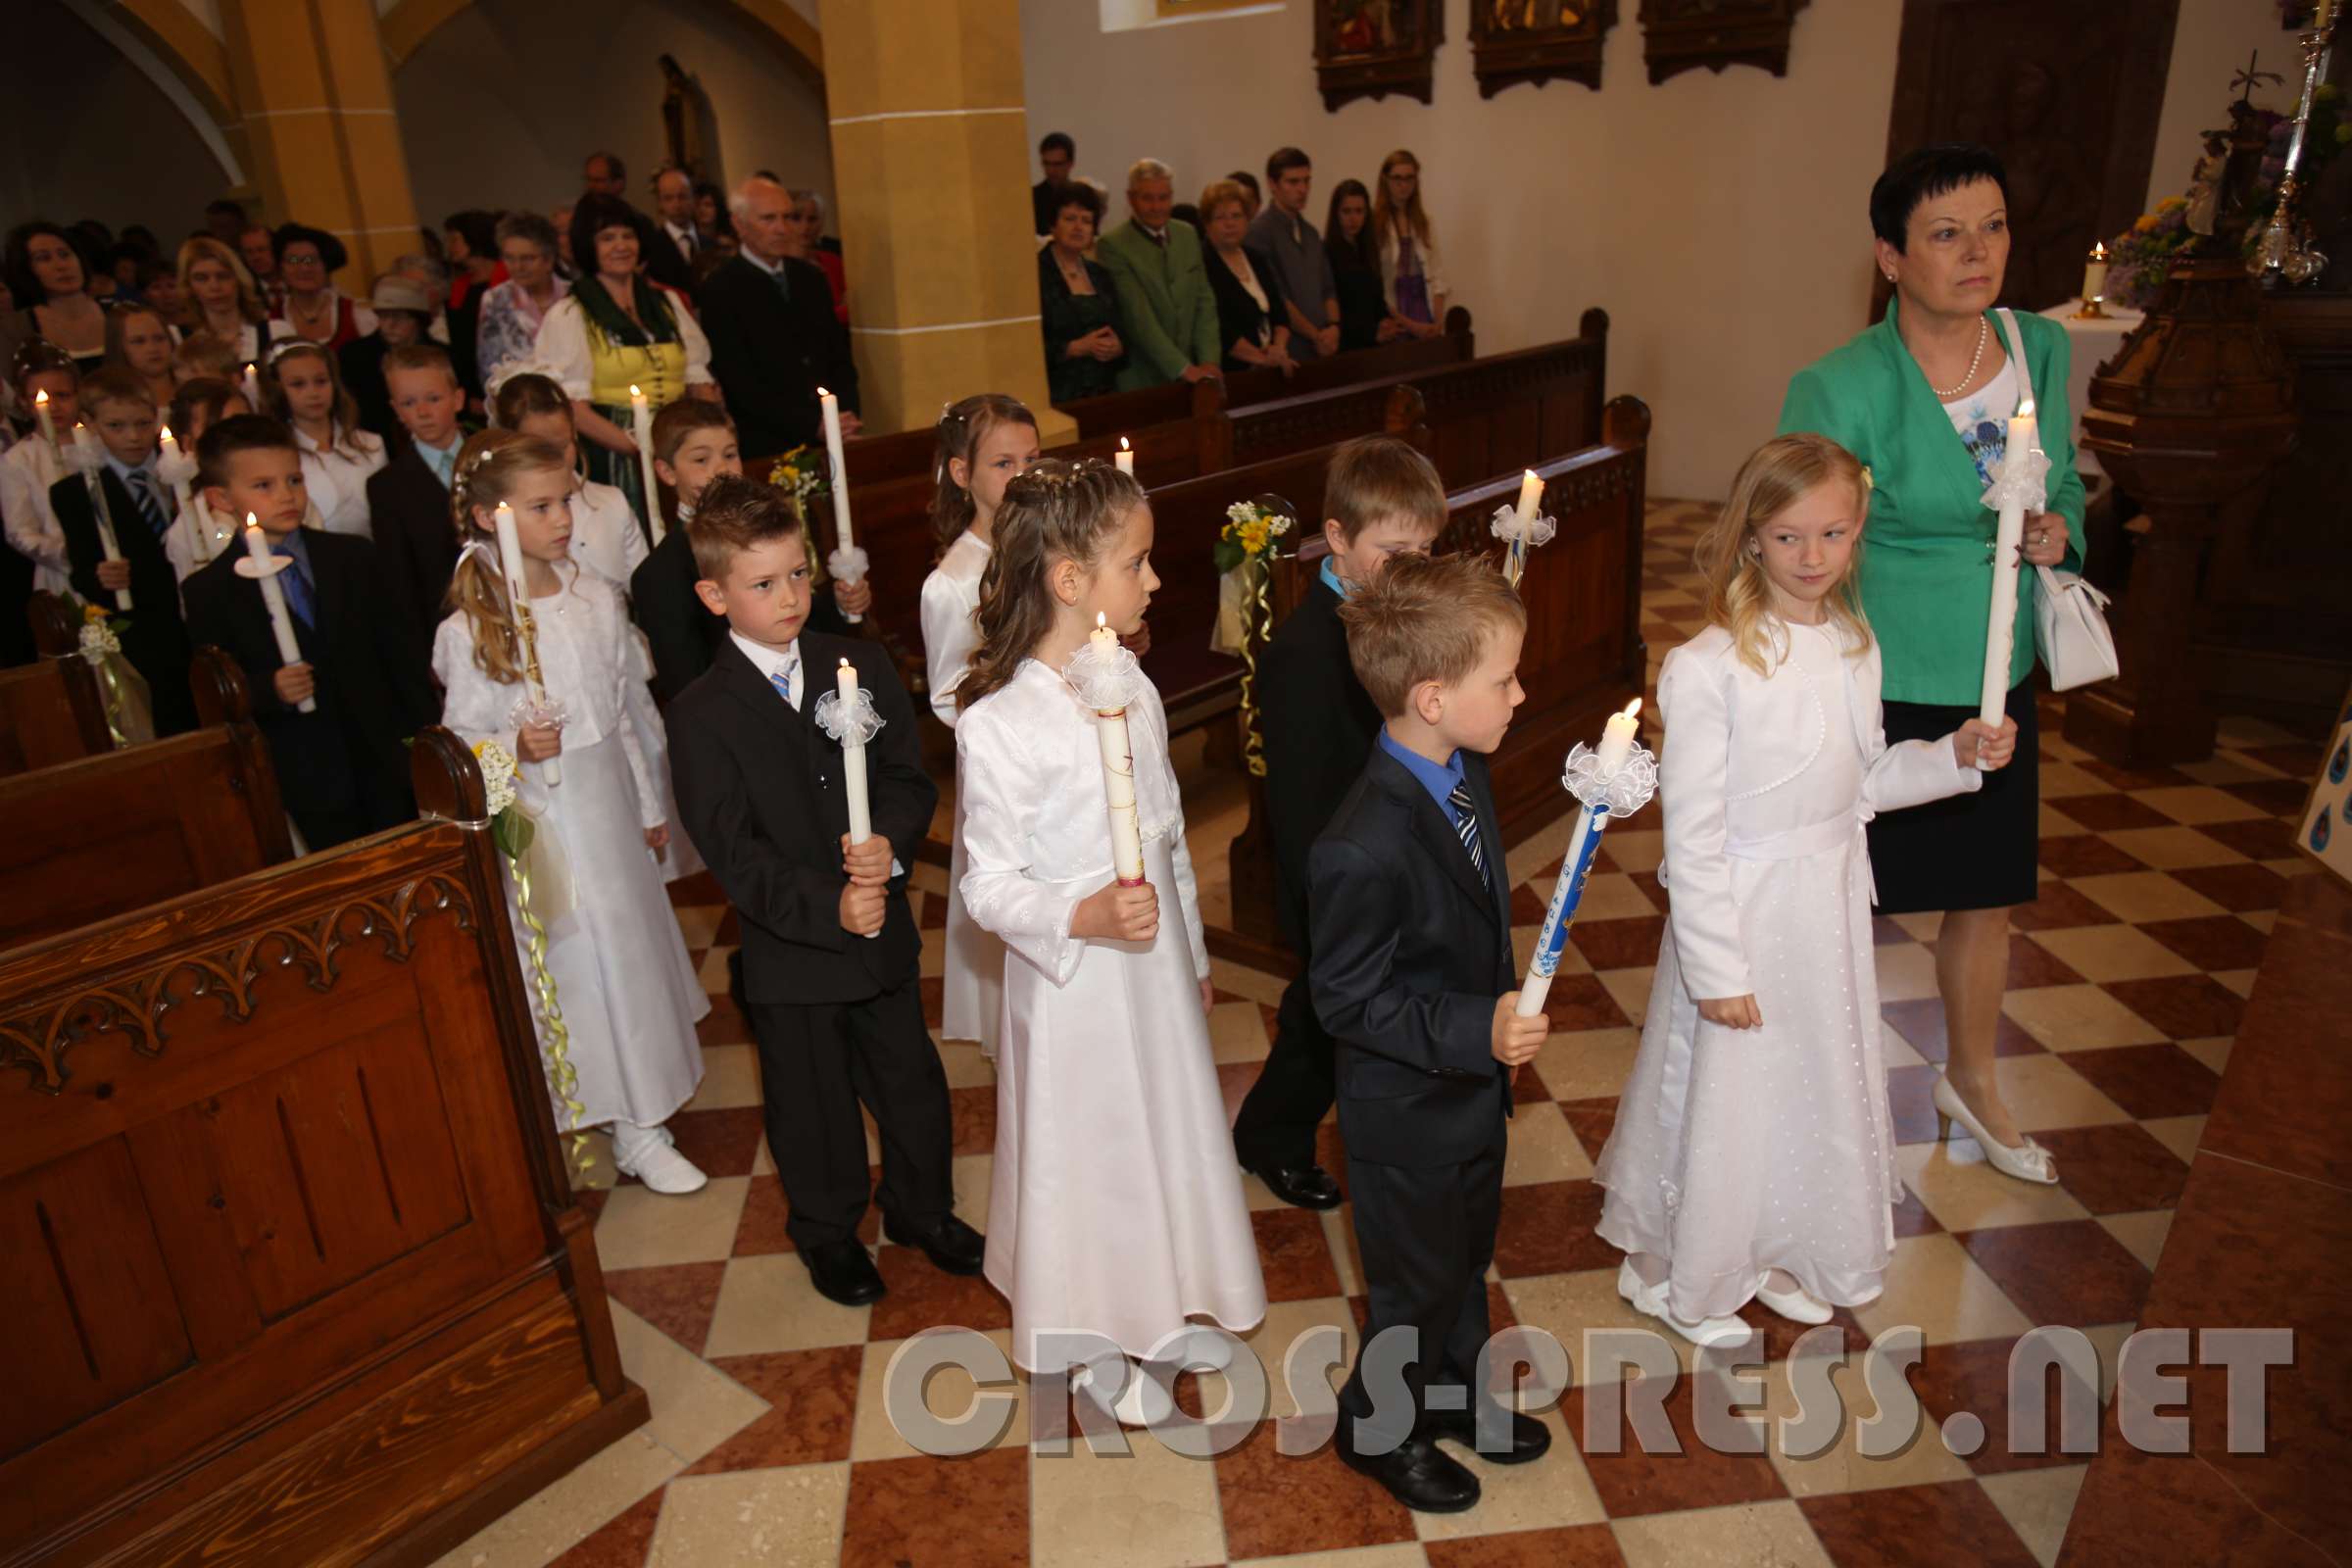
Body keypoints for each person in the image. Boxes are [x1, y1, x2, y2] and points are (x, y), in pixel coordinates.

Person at [1595, 434, 2016, 1343]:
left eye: (1833, 534)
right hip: (1744, 910)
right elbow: (1694, 836)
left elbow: (1863, 782)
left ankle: (1770, 1244)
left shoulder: (1856, 646)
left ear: (1859, 533)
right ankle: (1675, 1270)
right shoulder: (1709, 666)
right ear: (1751, 538)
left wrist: (1950, 758)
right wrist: (1717, 969)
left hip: (1824, 903)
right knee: (1720, 1089)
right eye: (1789, 537)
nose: (1814, 557)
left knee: (1800, 1083)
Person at [1777, 142, 2083, 1186]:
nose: (1976, 251)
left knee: (1984, 894)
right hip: (1881, 663)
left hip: (1996, 664)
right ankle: (1809, 1098)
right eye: (1946, 233)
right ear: (1891, 257)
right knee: (1842, 891)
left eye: (1992, 226)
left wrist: (2056, 530)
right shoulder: (1840, 383)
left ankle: (1972, 1079)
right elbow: (1795, 535)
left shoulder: (2039, 346)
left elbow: (2070, 483)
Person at [955, 459, 1265, 1421]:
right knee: (1092, 1151)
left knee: (1162, 1130)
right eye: (1138, 562)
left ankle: (1162, 1299)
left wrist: (1196, 959)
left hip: (1153, 972)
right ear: (1068, 580)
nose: (1157, 580)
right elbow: (985, 886)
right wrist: (1081, 914)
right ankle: (1093, 1334)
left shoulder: (1130, 680)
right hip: (1075, 981)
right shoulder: (998, 726)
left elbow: (1164, 830)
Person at [667, 476, 981, 1301]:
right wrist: (823, 901)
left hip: (879, 933)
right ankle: (828, 1231)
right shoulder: (702, 714)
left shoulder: (860, 661)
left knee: (911, 1085)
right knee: (813, 1111)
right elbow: (732, 852)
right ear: (713, 594)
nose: (791, 596)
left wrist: (891, 845)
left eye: (798, 574)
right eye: (763, 583)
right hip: (791, 952)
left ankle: (921, 1207)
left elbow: (910, 782)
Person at [1308, 550, 1552, 1512]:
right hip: (1404, 1111)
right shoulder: (1359, 843)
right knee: (1411, 1284)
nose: (1522, 693)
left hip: (1466, 1095)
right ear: (1434, 695)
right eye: (1504, 679)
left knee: (1462, 1258)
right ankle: (1379, 1425)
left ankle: (1452, 1395)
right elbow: (1347, 999)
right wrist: (1473, 1028)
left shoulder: (1457, 771)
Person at [437, 428, 711, 1194]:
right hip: (540, 819)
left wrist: (650, 796)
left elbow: (624, 710)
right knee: (575, 957)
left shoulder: (595, 598)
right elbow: (460, 748)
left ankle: (644, 1104)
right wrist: (512, 745)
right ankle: (612, 1114)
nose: (564, 517)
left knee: (628, 949)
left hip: (608, 806)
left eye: (566, 500)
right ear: (494, 517)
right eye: (542, 506)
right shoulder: (470, 630)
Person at [1233, 436, 1444, 1210]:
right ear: (1338, 538)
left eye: (1426, 548)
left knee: (1337, 1012)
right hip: (1334, 873)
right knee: (1327, 1020)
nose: (1413, 566)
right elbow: (1298, 799)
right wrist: (1327, 902)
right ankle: (1271, 1137)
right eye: (1394, 550)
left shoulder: (1401, 614)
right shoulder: (1305, 650)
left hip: (1392, 859)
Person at [183, 414, 436, 850]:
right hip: (303, 771)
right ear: (219, 497)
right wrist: (266, 689)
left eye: (294, 480)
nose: (287, 496)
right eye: (263, 486)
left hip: (383, 756)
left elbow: (402, 653)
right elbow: (213, 697)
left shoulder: (353, 557)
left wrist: (422, 740)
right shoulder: (209, 591)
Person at [921, 394, 1040, 1058]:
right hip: (1005, 766)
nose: (1021, 476)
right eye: (1003, 463)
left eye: (1031, 459)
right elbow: (948, 696)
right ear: (962, 474)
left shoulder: (1050, 548)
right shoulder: (954, 583)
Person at [630, 399, 868, 705]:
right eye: (701, 460)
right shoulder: (659, 573)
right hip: (733, 720)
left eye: (730, 455)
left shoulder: (770, 533)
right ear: (667, 471)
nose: (721, 469)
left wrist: (838, 604)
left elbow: (802, 621)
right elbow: (686, 686)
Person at [534, 194, 715, 529]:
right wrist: (639, 448)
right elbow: (571, 406)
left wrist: (707, 433)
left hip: (678, 444)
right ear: (589, 247)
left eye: (627, 236)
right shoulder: (572, 313)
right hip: (615, 451)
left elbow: (697, 377)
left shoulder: (666, 304)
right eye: (607, 238)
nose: (621, 246)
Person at [50, 367, 197, 733]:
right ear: (91, 425)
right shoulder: (74, 493)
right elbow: (83, 568)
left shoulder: (182, 473)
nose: (133, 437)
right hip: (146, 627)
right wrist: (100, 576)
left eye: (143, 423)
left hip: (197, 614)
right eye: (116, 426)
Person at [696, 175, 859, 459]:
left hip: (833, 431)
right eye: (769, 219)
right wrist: (812, 425)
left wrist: (844, 415)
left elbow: (838, 356)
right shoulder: (721, 288)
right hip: (768, 441)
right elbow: (739, 381)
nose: (782, 229)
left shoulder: (810, 278)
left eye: (788, 217)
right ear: (739, 224)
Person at [367, 342, 473, 666]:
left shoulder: (492, 457)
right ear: (396, 410)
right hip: (445, 626)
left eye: (433, 398)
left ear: (458, 399)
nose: (423, 412)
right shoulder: (387, 487)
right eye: (409, 403)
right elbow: (400, 583)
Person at [494, 370, 646, 587]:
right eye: (539, 451)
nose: (554, 461)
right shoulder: (508, 517)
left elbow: (644, 586)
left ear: (574, 434)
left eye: (561, 447)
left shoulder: (612, 502)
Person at [1097, 159, 1221, 392]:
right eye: (1147, 198)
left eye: (1163, 197)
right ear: (1131, 198)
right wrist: (1183, 368)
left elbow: (1204, 301)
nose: (1157, 206)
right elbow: (1138, 317)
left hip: (1197, 373)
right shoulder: (1112, 245)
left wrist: (1209, 361)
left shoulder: (1186, 233)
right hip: (1142, 377)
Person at [0, 343, 76, 660]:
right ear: (22, 402)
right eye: (42, 398)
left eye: (63, 395)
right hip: (60, 575)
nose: (54, 406)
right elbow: (20, 531)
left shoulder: (96, 444)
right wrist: (65, 553)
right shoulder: (19, 460)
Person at [265, 340, 387, 538]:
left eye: (321, 381)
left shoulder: (371, 445)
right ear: (279, 390)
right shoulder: (278, 457)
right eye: (298, 384)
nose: (313, 393)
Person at [1249, 148, 1341, 364]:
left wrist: (1333, 327)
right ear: (1272, 184)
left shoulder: (1310, 232)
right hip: (1288, 351)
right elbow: (1278, 298)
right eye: (1293, 182)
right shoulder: (1259, 232)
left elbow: (1328, 288)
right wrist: (1316, 336)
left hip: (1323, 345)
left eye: (1306, 181)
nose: (1303, 189)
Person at [1036, 182, 1124, 404]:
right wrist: (1073, 348)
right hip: (1057, 395)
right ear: (1053, 225)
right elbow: (1022, 344)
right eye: (1070, 219)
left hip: (1105, 392)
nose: (1079, 227)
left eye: (1086, 221)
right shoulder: (1035, 275)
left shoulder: (1100, 275)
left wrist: (1118, 346)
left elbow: (1122, 330)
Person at [159, 377, 250, 580]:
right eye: (218, 429)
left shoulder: (283, 490)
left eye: (244, 423)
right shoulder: (189, 527)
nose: (237, 437)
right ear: (190, 444)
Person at [1200, 179, 1295, 376]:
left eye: (1237, 216)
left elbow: (1280, 312)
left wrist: (1278, 349)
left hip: (1272, 365)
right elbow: (1220, 329)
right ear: (1207, 225)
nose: (1230, 224)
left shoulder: (1256, 258)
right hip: (1232, 373)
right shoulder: (1202, 264)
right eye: (1220, 217)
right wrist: (1261, 358)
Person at [473, 213, 571, 392]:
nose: (517, 267)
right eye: (510, 258)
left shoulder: (574, 296)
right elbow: (489, 368)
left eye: (527, 258)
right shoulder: (495, 300)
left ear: (549, 259)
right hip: (518, 401)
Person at [341, 274, 434, 442]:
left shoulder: (443, 355)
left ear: (418, 319)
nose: (389, 324)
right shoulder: (353, 357)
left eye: (398, 316)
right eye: (383, 316)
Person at [7, 221, 108, 371]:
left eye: (65, 254)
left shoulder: (116, 312)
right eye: (44, 258)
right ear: (26, 270)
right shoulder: (16, 328)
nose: (61, 265)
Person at [1372, 150, 1450, 339]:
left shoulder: (1424, 222)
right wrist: (1411, 326)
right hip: (1394, 312)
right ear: (1385, 180)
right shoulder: (1374, 224)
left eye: (1409, 179)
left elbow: (1438, 276)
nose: (1403, 185)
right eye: (1397, 178)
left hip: (1423, 306)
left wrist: (1438, 322)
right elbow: (1376, 287)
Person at [272, 224, 377, 352]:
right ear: (281, 268)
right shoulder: (270, 318)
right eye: (293, 260)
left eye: (312, 260)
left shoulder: (357, 316)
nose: (304, 268)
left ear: (326, 266)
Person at [177, 236, 277, 368]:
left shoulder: (274, 332)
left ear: (238, 280)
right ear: (189, 286)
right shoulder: (180, 341)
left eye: (222, 276)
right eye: (201, 279)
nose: (214, 286)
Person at [786, 191, 848, 325]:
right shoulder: (777, 265)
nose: (805, 227)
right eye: (796, 218)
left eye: (812, 219)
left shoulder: (833, 261)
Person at [104, 302, 178, 411]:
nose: (153, 348)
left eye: (160, 338)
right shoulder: (109, 404)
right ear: (118, 347)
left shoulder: (195, 391)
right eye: (138, 341)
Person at [648, 166, 709, 291]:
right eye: (668, 198)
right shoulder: (650, 247)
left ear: (693, 199)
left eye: (683, 196)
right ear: (660, 203)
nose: (677, 205)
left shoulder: (710, 243)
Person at [1032, 131, 1077, 236]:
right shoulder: (1031, 198)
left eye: (1058, 164)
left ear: (1070, 164)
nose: (1051, 170)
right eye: (1047, 163)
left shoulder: (1081, 197)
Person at [238, 223, 284, 316]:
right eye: (249, 252)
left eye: (262, 249)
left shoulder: (299, 283)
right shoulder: (244, 294)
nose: (256, 257)